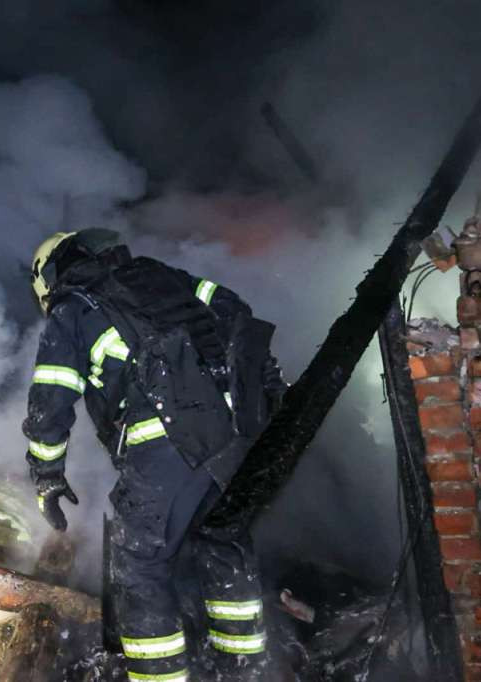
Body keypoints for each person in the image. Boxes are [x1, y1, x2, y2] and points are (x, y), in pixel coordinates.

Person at [22, 228, 287, 680]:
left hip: (166, 444)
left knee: (139, 565)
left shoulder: (74, 308)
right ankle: (245, 670)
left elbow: (52, 397)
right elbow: (232, 307)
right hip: (238, 436)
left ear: (50, 276)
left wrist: (46, 474)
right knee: (222, 543)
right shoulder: (164, 278)